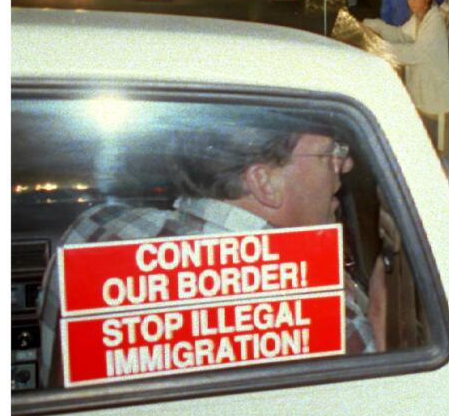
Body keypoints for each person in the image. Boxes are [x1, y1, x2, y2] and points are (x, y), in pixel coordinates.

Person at [37, 119, 385, 387]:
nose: (347, 163)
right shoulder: (320, 313)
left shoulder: (94, 228)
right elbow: (385, 415)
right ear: (264, 183)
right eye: (331, 153)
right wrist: (382, 309)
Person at [364, 0, 449, 157]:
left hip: (436, 95)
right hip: (422, 93)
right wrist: (376, 25)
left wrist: (380, 48)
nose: (411, 2)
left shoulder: (434, 21)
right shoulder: (418, 18)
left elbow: (415, 53)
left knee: (446, 151)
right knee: (428, 147)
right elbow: (400, 35)